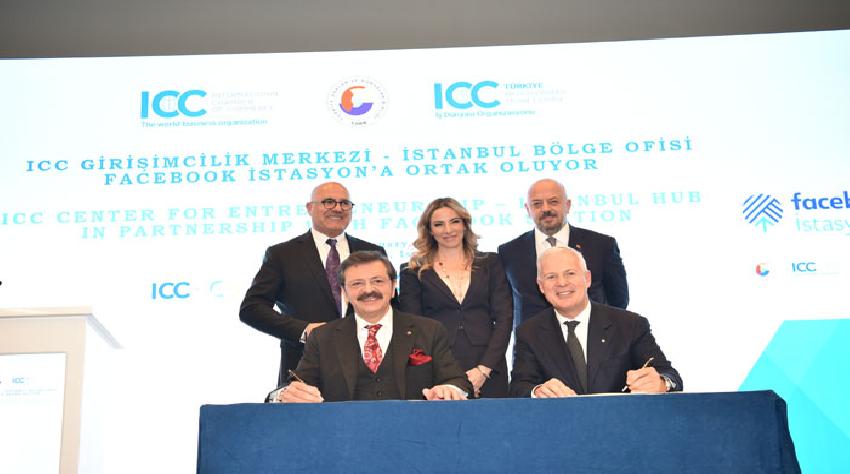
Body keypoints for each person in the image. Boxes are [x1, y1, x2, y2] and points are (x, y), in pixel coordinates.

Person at [272, 251, 472, 402]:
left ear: (393, 287)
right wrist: (284, 395)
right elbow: (296, 386)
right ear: (345, 293)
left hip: (414, 434)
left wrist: (450, 389)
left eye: (377, 281)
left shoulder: (429, 330)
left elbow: (458, 381)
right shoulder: (322, 337)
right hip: (344, 437)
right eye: (357, 284)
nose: (368, 290)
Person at [239, 182, 387, 385]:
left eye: (345, 203)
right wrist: (304, 330)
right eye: (328, 202)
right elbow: (252, 309)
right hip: (305, 369)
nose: (338, 208)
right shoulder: (283, 254)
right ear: (310, 208)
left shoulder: (373, 252)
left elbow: (390, 307)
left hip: (368, 370)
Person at [509, 247, 681, 397]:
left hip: (620, 420)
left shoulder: (630, 325)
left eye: (570, 273)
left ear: (587, 278)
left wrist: (661, 383)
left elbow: (670, 375)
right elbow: (519, 387)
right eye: (551, 276)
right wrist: (538, 391)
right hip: (560, 422)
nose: (561, 283)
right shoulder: (529, 332)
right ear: (541, 286)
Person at [398, 198, 513, 398]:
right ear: (430, 230)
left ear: (465, 225)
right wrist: (447, 375)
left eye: (454, 221)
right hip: (438, 366)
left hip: (489, 366)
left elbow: (505, 318)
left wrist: (484, 369)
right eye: (439, 224)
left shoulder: (490, 262)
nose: (448, 230)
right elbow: (414, 328)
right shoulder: (412, 271)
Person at [498, 179, 629, 329]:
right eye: (537, 204)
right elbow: (504, 308)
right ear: (528, 209)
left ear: (568, 205)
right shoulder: (509, 252)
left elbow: (619, 301)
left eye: (553, 202)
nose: (546, 209)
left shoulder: (602, 245)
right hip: (531, 341)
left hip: (594, 338)